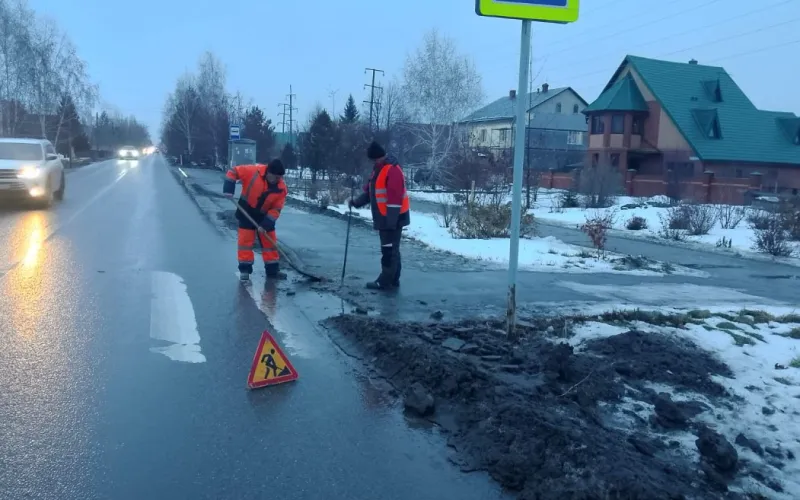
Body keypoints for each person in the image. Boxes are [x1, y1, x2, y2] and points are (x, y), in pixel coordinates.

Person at [348, 141, 410, 290]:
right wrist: (356, 202)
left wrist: (390, 222)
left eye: (374, 159)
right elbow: (371, 193)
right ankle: (393, 279)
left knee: (389, 250)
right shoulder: (378, 170)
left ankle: (385, 281)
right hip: (386, 217)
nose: (373, 162)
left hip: (393, 218)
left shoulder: (392, 170)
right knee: (392, 249)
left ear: (378, 157)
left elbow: (395, 198)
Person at [223, 158, 288, 281]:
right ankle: (245, 270)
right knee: (245, 243)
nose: (277, 180)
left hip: (264, 215)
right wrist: (228, 188)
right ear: (268, 172)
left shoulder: (281, 189)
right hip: (246, 211)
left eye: (279, 177)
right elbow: (233, 171)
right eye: (275, 177)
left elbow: (276, 209)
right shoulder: (253, 171)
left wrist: (266, 224)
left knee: (270, 244)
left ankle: (272, 271)